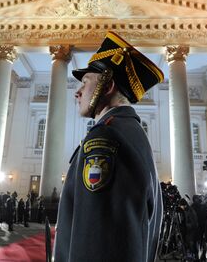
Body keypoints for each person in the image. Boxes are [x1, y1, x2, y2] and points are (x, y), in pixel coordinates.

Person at [54, 31, 164, 262]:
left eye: (85, 82)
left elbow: (96, 240)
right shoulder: (129, 132)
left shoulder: (106, 139)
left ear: (107, 85)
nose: (78, 92)